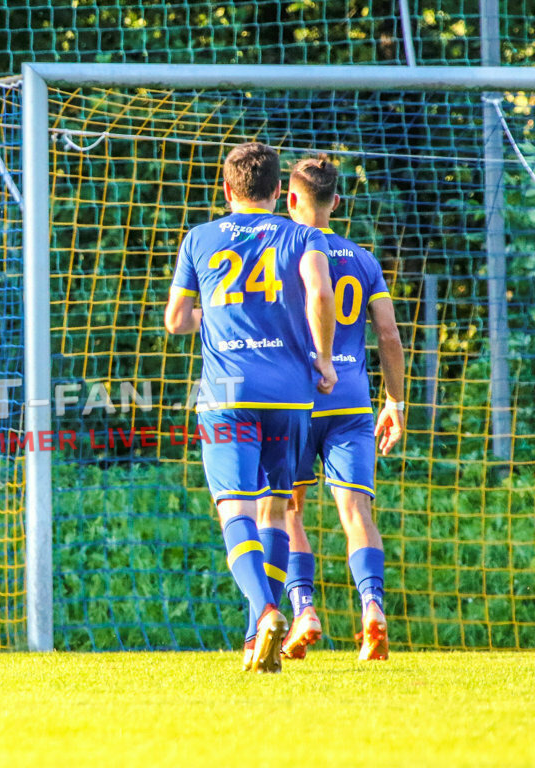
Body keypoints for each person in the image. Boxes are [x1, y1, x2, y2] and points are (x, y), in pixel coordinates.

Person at [164, 142, 337, 673]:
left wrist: (211, 321)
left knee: (233, 508)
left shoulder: (200, 238)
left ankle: (263, 611)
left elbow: (176, 319)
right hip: (287, 393)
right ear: (278, 192)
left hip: (226, 395)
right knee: (277, 509)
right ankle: (253, 636)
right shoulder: (304, 236)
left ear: (227, 188)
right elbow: (320, 294)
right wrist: (325, 360)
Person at [280, 156, 405, 662]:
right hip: (353, 400)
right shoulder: (364, 258)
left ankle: (304, 608)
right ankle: (372, 606)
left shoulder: (281, 254)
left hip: (293, 399)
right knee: (356, 511)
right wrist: (395, 401)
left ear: (291, 200)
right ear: (337, 202)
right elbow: (390, 335)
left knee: (290, 509)